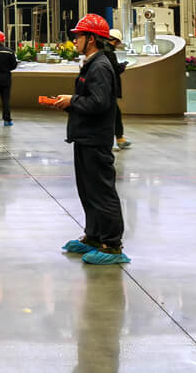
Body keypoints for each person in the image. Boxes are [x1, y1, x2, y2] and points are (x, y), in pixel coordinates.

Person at [51, 13, 130, 265]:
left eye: (79, 36)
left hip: (95, 139)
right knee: (88, 191)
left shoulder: (100, 66)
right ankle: (94, 237)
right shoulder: (92, 63)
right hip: (85, 137)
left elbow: (99, 102)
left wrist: (72, 100)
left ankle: (112, 245)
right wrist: (70, 102)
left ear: (92, 39)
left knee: (102, 192)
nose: (74, 40)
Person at [107, 29, 131, 151]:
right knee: (113, 114)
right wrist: (122, 66)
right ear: (115, 41)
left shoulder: (104, 50)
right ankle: (115, 141)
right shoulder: (108, 52)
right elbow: (114, 69)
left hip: (107, 88)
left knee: (115, 114)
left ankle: (119, 139)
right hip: (108, 88)